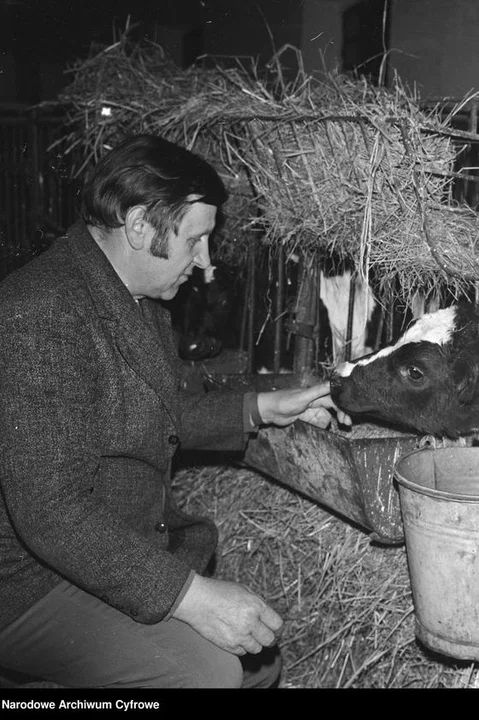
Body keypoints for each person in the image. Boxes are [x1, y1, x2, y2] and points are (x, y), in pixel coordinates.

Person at [0, 134, 351, 689]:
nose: (206, 263)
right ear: (140, 225)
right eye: (197, 240)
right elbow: (51, 513)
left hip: (103, 541)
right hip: (27, 579)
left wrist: (264, 407)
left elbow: (154, 412)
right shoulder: (40, 313)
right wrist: (191, 597)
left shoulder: (132, 294)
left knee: (259, 667)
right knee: (208, 675)